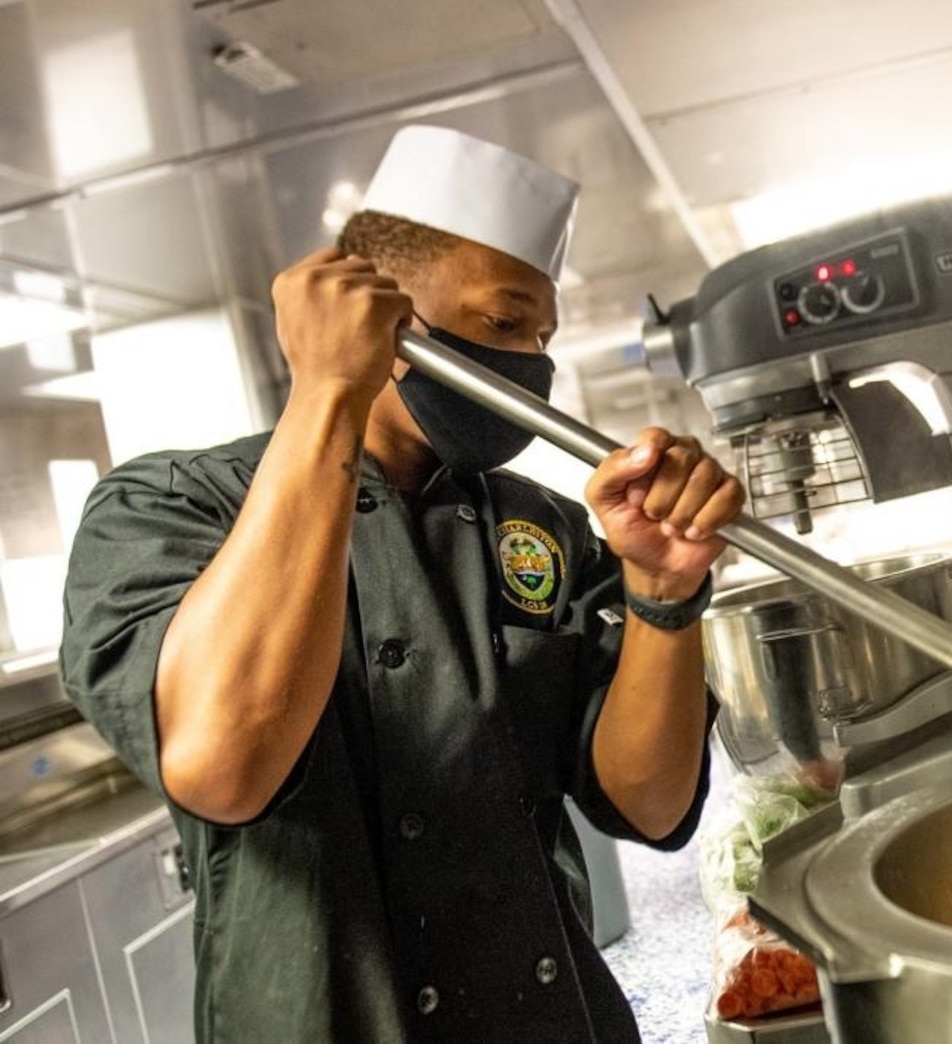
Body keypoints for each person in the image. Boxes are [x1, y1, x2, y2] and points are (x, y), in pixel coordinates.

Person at [59, 124, 743, 1042]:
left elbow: (649, 805)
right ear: (379, 313)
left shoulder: (543, 527)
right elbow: (224, 765)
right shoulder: (169, 506)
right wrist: (326, 393)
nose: (530, 366)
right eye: (503, 324)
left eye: (541, 337)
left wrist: (661, 592)